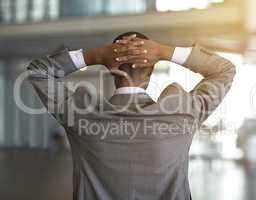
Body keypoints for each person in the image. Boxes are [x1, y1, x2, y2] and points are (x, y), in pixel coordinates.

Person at [26, 31, 236, 200]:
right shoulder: (184, 112)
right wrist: (165, 51)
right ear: (152, 69)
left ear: (110, 69)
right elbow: (224, 70)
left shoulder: (80, 113)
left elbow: (38, 71)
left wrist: (95, 56)